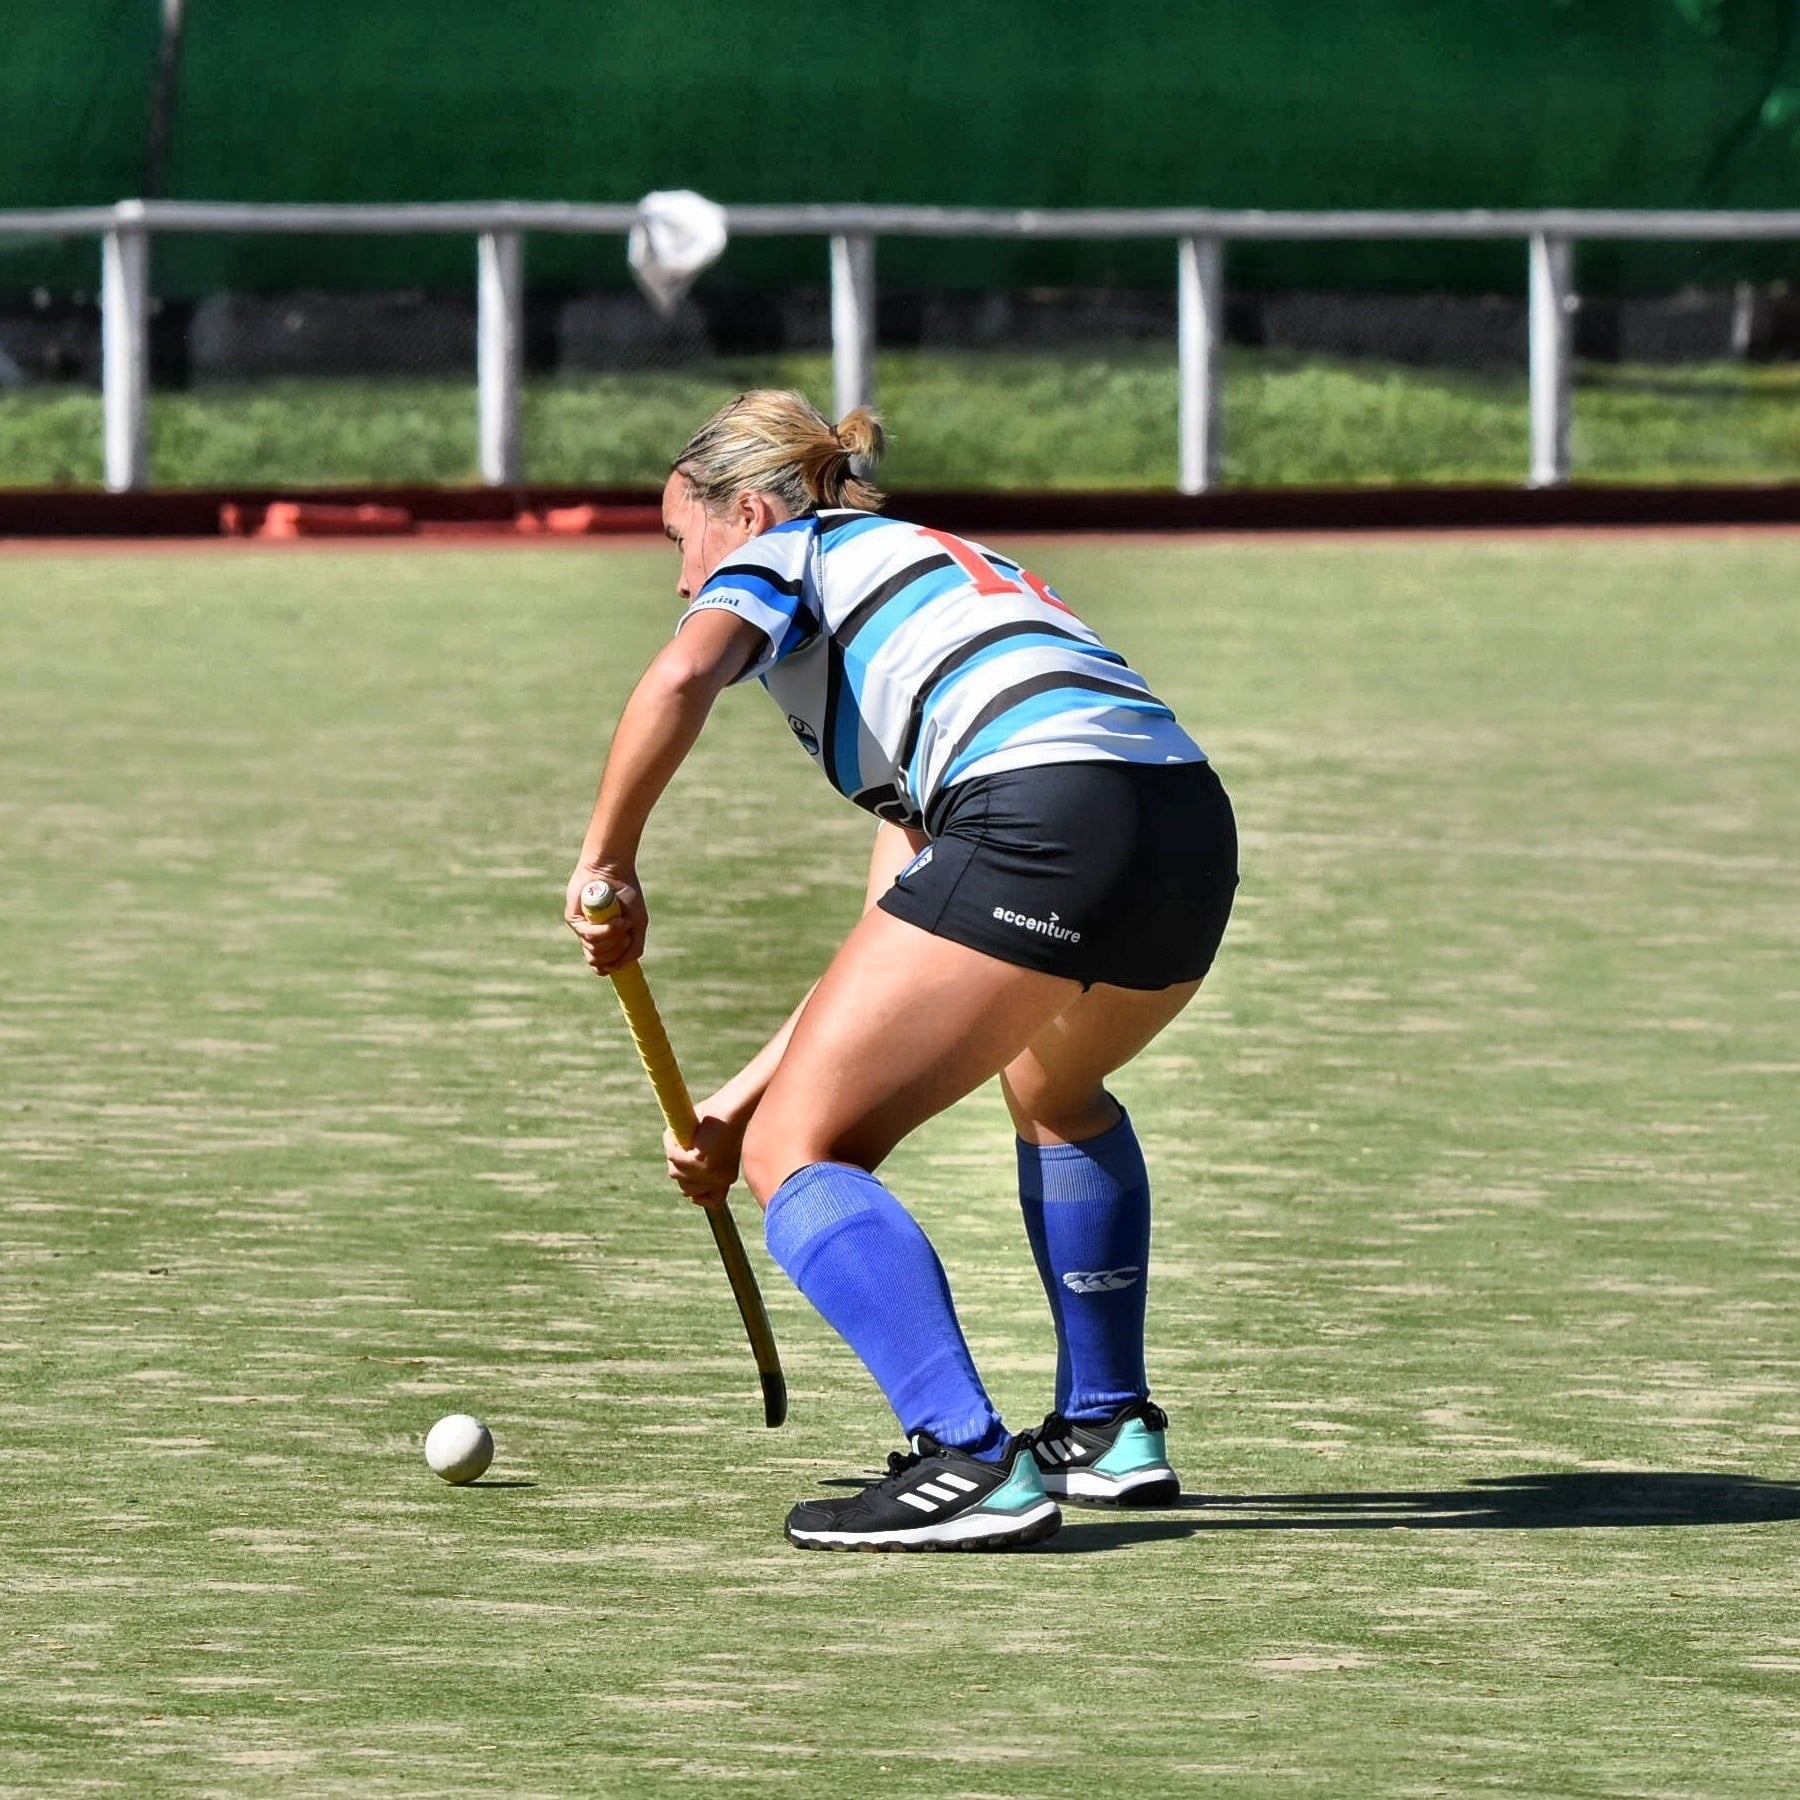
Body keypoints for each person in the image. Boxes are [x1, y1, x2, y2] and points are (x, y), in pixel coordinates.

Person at [566, 390, 1237, 1552]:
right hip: (1182, 826)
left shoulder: (792, 549)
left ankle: (968, 1459)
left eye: (683, 543)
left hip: (1040, 815)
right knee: (1053, 1090)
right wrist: (739, 1098)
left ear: (756, 508)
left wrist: (605, 863)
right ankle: (1107, 1431)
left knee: (804, 1156)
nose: (684, 583)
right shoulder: (939, 578)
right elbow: (903, 922)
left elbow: (680, 678)